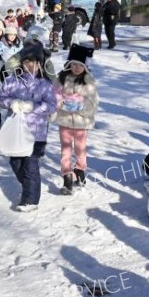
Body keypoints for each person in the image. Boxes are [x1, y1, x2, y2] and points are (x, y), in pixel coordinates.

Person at [0, 45, 57, 211]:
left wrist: (33, 106)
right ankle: (31, 186)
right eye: (27, 61)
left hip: (36, 133)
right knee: (16, 163)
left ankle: (30, 201)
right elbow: (1, 98)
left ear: (40, 64)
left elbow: (52, 106)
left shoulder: (45, 84)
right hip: (15, 132)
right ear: (22, 63)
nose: (30, 65)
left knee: (31, 166)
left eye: (34, 62)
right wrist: (12, 103)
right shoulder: (11, 80)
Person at [54, 44, 99, 194]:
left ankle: (79, 169)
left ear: (85, 66)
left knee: (80, 149)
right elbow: (54, 95)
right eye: (73, 64)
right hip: (65, 120)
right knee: (65, 150)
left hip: (81, 122)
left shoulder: (88, 80)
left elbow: (93, 102)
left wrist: (80, 106)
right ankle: (67, 177)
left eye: (79, 65)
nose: (76, 68)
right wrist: (61, 103)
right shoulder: (62, 77)